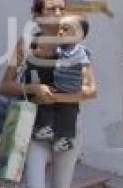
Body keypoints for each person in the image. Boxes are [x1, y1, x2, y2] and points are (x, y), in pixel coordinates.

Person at [0, 0, 97, 188]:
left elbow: (91, 90)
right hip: (33, 124)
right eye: (50, 9)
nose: (56, 15)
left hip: (68, 126)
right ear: (37, 15)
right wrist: (31, 89)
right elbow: (4, 86)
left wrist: (57, 98)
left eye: (60, 9)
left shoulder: (77, 46)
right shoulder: (26, 43)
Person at [33, 14, 91, 152]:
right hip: (57, 87)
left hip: (71, 91)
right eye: (60, 29)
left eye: (66, 29)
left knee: (69, 113)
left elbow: (87, 78)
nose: (61, 32)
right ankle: (47, 128)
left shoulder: (81, 52)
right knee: (46, 103)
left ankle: (65, 139)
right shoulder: (59, 50)